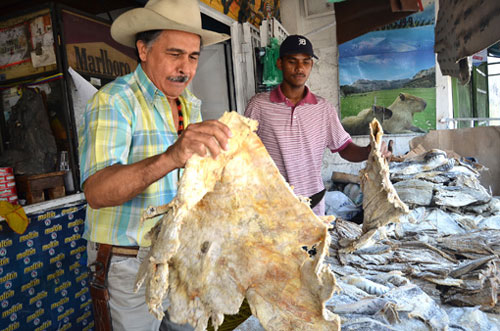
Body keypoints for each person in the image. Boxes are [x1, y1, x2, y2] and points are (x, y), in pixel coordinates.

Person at [78, 0, 232, 330]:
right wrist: (171, 156)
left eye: (193, 56)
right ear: (143, 50)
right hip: (128, 264)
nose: (186, 68)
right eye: (175, 53)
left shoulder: (190, 104)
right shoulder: (113, 102)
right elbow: (97, 191)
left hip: (182, 256)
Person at [245, 35, 390, 216]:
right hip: (272, 204)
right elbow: (243, 151)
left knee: (313, 245)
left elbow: (344, 147)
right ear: (280, 63)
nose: (300, 68)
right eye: (292, 61)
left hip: (313, 204)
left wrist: (369, 151)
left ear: (311, 65)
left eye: (306, 62)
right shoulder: (258, 106)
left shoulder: (323, 109)